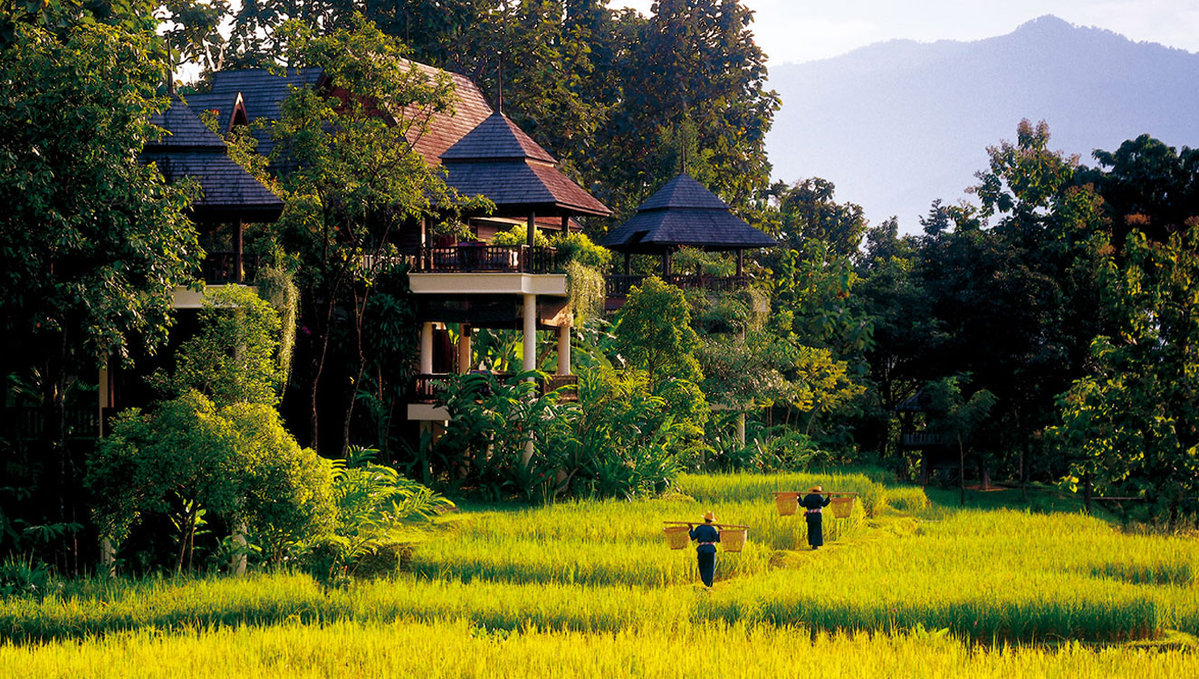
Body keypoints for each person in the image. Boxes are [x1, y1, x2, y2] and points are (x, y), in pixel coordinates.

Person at [689, 511, 721, 587]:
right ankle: (709, 585)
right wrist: (720, 531)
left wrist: (691, 528)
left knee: (702, 567)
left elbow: (693, 537)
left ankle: (705, 582)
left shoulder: (699, 528)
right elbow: (718, 539)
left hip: (701, 550)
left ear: (705, 520)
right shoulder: (712, 529)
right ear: (711, 521)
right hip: (710, 550)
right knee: (710, 568)